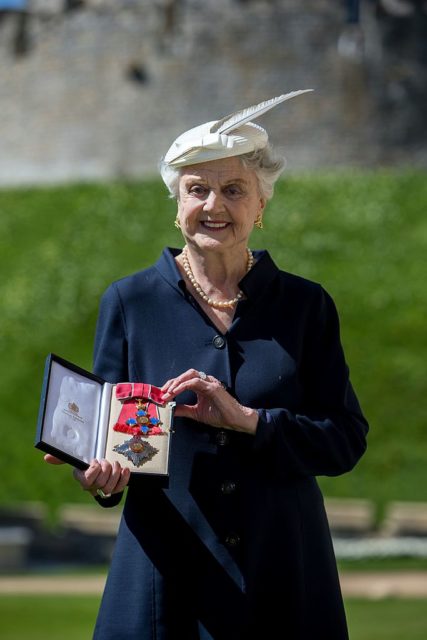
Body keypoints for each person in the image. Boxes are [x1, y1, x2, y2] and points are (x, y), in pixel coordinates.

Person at [45, 91, 369, 639]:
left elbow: (344, 440)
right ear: (176, 205)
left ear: (261, 206)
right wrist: (96, 476)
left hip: (283, 571)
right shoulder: (129, 302)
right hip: (163, 576)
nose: (214, 206)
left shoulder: (305, 305)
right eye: (197, 190)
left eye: (233, 190)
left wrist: (248, 420)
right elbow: (101, 437)